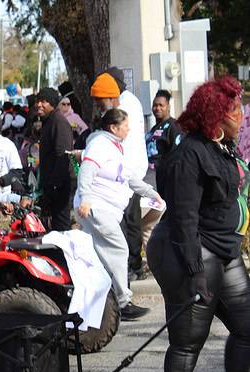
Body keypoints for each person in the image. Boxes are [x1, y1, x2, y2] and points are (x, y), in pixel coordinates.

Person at [147, 76, 250, 372]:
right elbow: (184, 219)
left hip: (226, 250)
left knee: (247, 328)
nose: (241, 115)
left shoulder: (223, 145)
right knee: (188, 342)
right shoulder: (190, 154)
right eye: (234, 109)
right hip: (192, 250)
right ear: (215, 115)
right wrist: (195, 272)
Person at [74, 108, 162, 321]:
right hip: (95, 207)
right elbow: (86, 170)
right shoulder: (100, 145)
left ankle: (103, 304)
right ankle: (123, 302)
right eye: (125, 126)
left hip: (107, 210)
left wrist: (152, 193)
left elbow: (130, 178)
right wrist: (85, 198)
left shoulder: (115, 147)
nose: (129, 129)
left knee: (101, 257)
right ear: (113, 128)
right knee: (119, 248)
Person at [90, 70, 148, 281]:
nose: (99, 104)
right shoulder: (128, 103)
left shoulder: (124, 107)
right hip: (126, 172)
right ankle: (129, 265)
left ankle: (131, 265)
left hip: (127, 173)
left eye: (101, 99)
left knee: (128, 222)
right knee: (128, 222)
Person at [141, 89, 183, 254]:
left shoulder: (173, 126)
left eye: (161, 105)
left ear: (168, 107)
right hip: (149, 179)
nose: (157, 108)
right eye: (155, 105)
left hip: (164, 181)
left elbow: (178, 154)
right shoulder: (152, 129)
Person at [36, 88, 75, 231]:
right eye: (38, 101)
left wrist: (53, 187)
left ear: (52, 103)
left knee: (61, 230)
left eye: (44, 101)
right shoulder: (48, 121)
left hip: (60, 187)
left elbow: (64, 156)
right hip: (52, 186)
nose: (39, 104)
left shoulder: (59, 122)